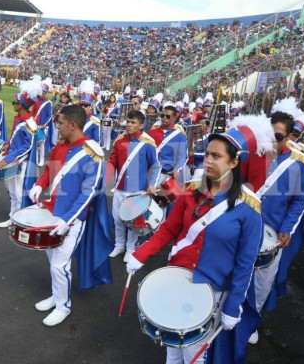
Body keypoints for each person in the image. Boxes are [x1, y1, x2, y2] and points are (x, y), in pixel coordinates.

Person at [127, 114, 274, 364]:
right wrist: (140, 254)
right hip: (177, 276)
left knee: (194, 355)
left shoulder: (249, 209)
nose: (208, 160)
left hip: (211, 291)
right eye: (207, 154)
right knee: (172, 347)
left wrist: (232, 306)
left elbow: (245, 264)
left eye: (216, 156)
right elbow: (168, 230)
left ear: (234, 161)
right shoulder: (191, 191)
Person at [28, 105, 112, 327]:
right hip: (51, 211)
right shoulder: (61, 145)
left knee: (59, 264)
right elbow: (49, 170)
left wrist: (68, 219)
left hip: (73, 218)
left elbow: (89, 192)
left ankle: (63, 306)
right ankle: (57, 296)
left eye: (60, 122)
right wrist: (39, 185)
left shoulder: (92, 152)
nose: (57, 126)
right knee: (51, 258)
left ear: (72, 124)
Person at [251, 111, 304, 343]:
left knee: (262, 281)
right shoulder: (252, 154)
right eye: (269, 135)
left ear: (288, 137)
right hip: (244, 227)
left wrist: (287, 228)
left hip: (272, 234)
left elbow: (300, 200)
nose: (272, 141)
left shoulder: (298, 164)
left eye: (278, 136)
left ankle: (251, 319)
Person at [107, 110, 161, 261]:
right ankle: (119, 245)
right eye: (128, 122)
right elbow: (112, 161)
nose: (129, 125)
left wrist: (152, 184)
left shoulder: (148, 143)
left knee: (132, 222)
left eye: (133, 123)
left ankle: (131, 248)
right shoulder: (119, 140)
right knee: (117, 218)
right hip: (120, 187)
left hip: (138, 189)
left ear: (141, 125)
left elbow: (156, 165)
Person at [0, 79, 39, 228]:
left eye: (14, 102)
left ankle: (19, 221)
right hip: (13, 159)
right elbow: (17, 141)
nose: (13, 104)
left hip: (20, 162)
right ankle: (12, 218)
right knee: (12, 192)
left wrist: (8, 159)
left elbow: (27, 147)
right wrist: (7, 145)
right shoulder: (20, 119)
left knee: (19, 193)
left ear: (20, 105)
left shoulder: (29, 123)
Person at [148, 105, 187, 183]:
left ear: (174, 118)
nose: (164, 118)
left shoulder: (180, 136)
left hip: (168, 174)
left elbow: (182, 156)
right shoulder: (152, 133)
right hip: (151, 172)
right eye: (162, 115)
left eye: (168, 116)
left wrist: (177, 169)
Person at [32, 75, 53, 166]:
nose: (41, 93)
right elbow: (33, 113)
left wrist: (44, 125)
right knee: (36, 143)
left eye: (42, 92)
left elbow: (49, 116)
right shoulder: (36, 101)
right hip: (35, 125)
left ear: (45, 93)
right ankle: (36, 159)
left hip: (43, 126)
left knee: (42, 144)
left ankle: (41, 159)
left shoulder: (48, 103)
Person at [78, 79, 101, 143]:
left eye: (85, 105)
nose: (82, 107)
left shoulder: (95, 121)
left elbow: (97, 141)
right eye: (81, 105)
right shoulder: (74, 118)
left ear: (90, 106)